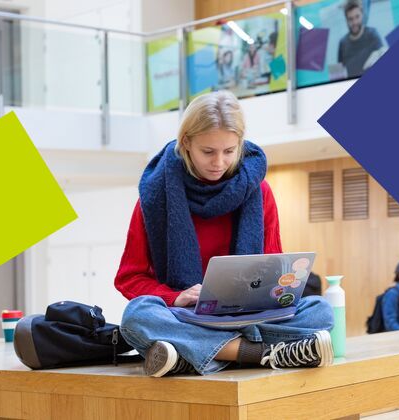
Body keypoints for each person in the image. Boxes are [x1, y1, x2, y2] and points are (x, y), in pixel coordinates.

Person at [115, 91, 334, 377]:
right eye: (208, 151)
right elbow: (129, 277)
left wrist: (280, 289)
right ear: (186, 144)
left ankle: (193, 355)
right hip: (187, 317)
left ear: (240, 145)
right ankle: (260, 354)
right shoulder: (154, 196)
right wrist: (176, 296)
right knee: (138, 315)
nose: (219, 162)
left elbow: (275, 267)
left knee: (319, 310)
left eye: (229, 151)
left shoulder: (260, 191)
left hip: (251, 316)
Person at [337, 0, 383, 78]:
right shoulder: (342, 43)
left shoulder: (372, 34)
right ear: (346, 20)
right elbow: (336, 74)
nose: (354, 22)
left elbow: (383, 51)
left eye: (357, 17)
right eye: (350, 19)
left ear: (362, 15)